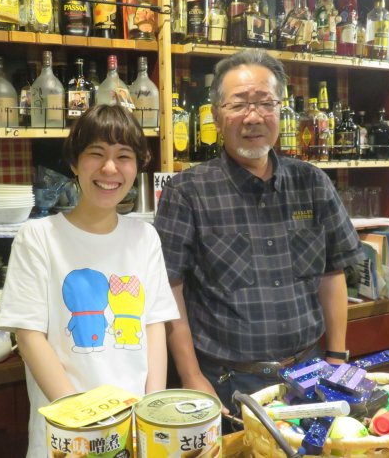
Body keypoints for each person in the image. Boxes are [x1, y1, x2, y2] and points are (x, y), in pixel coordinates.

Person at [154, 49, 365, 414]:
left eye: (265, 103)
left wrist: (336, 357)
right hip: (227, 381)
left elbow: (333, 274)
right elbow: (169, 291)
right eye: (238, 105)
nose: (253, 117)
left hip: (310, 371)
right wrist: (191, 376)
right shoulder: (187, 192)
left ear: (280, 110)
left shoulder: (312, 183)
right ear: (217, 116)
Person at [0, 104, 179, 458]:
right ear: (74, 163)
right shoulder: (38, 237)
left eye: (123, 156)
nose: (110, 168)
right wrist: (84, 423)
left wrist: (151, 414)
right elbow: (29, 336)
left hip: (133, 432)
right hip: (66, 436)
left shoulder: (144, 237)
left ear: (138, 165)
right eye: (96, 153)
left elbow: (154, 325)